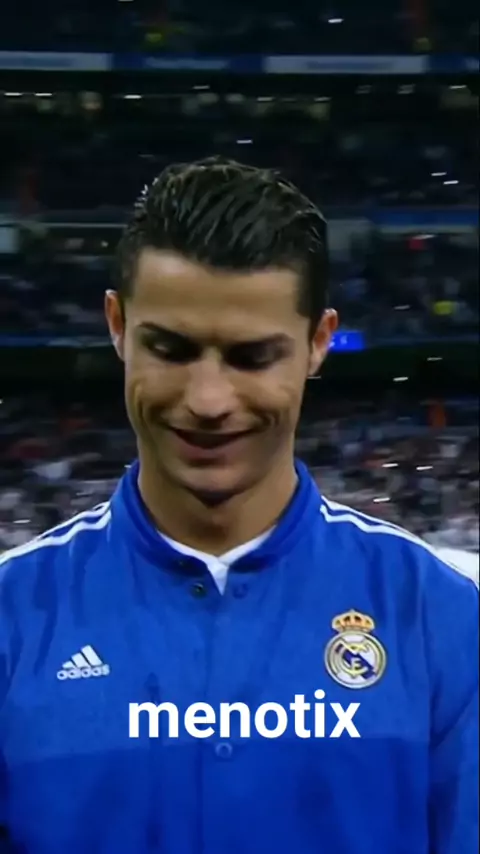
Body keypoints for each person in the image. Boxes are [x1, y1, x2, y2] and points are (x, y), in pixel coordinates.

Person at [0, 157, 478, 854]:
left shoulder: (438, 618)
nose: (208, 401)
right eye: (171, 350)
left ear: (318, 343)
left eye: (252, 357)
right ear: (117, 325)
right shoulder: (13, 619)